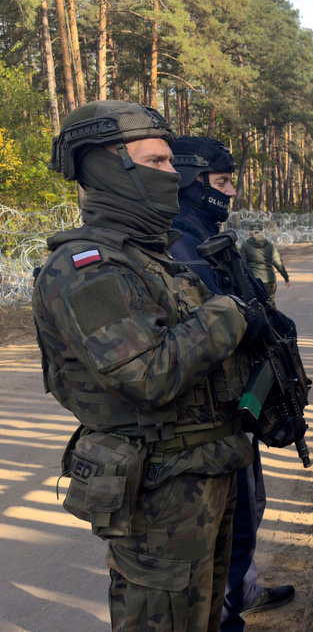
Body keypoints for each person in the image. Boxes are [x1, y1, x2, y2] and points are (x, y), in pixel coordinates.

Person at [32, 100, 255, 631]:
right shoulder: (86, 270)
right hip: (158, 491)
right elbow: (146, 374)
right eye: (155, 162)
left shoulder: (151, 256)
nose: (171, 174)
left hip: (201, 472)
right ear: (109, 166)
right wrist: (229, 313)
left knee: (202, 617)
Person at [168, 136, 295, 630]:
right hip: (209, 416)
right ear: (191, 182)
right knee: (230, 521)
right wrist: (252, 319)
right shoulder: (177, 238)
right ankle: (229, 614)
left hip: (231, 406)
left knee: (247, 508)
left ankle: (243, 591)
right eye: (222, 183)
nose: (230, 194)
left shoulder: (203, 234)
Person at [240, 226, 290, 305]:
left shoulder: (245, 246)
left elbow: (242, 264)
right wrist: (286, 277)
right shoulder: (270, 245)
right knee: (271, 304)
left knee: (257, 305)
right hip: (269, 280)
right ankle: (273, 316)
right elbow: (278, 263)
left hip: (255, 281)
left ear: (250, 233)